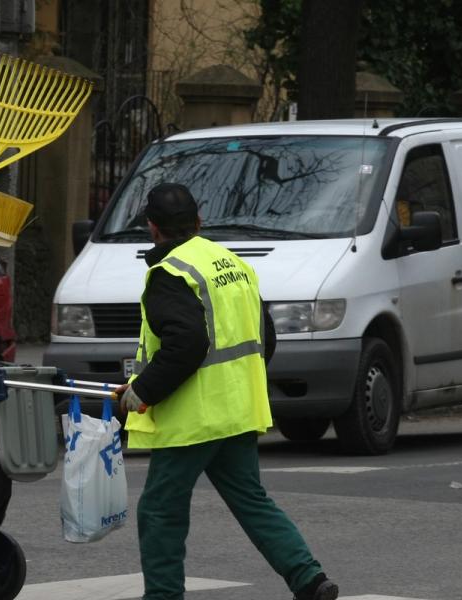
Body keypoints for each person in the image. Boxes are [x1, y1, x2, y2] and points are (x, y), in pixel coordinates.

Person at [113, 183, 338, 600]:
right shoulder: (233, 264)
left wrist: (142, 391)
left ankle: (162, 596)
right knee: (251, 500)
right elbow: (263, 339)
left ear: (152, 228)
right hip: (238, 411)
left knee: (160, 510)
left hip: (194, 419)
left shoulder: (169, 274)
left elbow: (187, 345)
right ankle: (308, 578)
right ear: (199, 223)